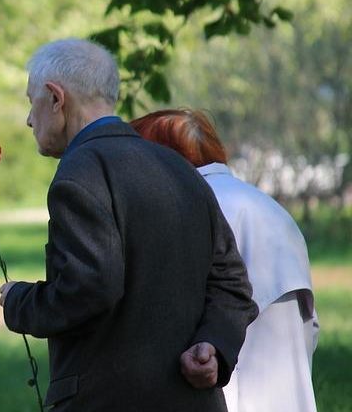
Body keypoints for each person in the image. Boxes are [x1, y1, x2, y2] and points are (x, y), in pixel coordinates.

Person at [0, 38, 258, 411]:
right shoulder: (179, 168)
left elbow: (90, 287)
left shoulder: (80, 173)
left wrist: (19, 302)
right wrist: (214, 345)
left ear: (56, 98)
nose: (28, 119)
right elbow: (232, 281)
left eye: (31, 101)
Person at [131, 109, 318, 412]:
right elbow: (311, 326)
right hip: (287, 395)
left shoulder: (185, 209)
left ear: (161, 158)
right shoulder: (271, 208)